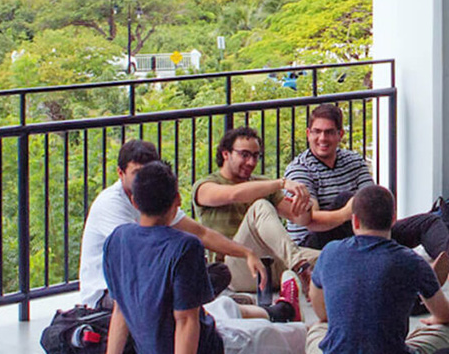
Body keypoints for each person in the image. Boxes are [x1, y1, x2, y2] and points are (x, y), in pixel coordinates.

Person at [284, 104, 449, 285]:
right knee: (349, 201)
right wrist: (348, 211)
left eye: (329, 132)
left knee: (428, 221)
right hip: (316, 243)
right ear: (308, 134)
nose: (322, 138)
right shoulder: (300, 170)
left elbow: (374, 201)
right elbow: (311, 221)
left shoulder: (352, 161)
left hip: (360, 232)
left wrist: (381, 217)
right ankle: (408, 270)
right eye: (317, 132)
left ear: (340, 134)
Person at [79, 140, 267, 312]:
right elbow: (142, 256)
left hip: (147, 282)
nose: (144, 180)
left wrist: (246, 252)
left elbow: (201, 233)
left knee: (218, 273)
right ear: (121, 173)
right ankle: (210, 308)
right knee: (181, 284)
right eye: (137, 173)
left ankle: (203, 307)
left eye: (149, 173)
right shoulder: (111, 204)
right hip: (109, 292)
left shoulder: (154, 194)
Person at [305, 184, 449, 354]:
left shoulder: (330, 251)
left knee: (318, 327)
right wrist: (435, 319)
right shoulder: (411, 260)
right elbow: (447, 316)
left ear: (354, 221)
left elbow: (320, 308)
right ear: (393, 219)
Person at [103, 161, 226, 354]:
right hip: (206, 347)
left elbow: (120, 311)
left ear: (134, 202)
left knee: (227, 307)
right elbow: (186, 321)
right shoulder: (185, 246)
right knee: (262, 334)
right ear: (177, 199)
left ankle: (269, 310)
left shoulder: (118, 239)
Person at [193, 127, 320, 295]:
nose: (251, 162)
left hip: (272, 262)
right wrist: (281, 183)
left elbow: (301, 219)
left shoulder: (263, 184)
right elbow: (234, 194)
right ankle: (300, 267)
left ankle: (302, 274)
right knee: (260, 206)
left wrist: (304, 203)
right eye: (244, 155)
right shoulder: (204, 186)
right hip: (235, 269)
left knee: (332, 257)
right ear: (226, 154)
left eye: (255, 156)